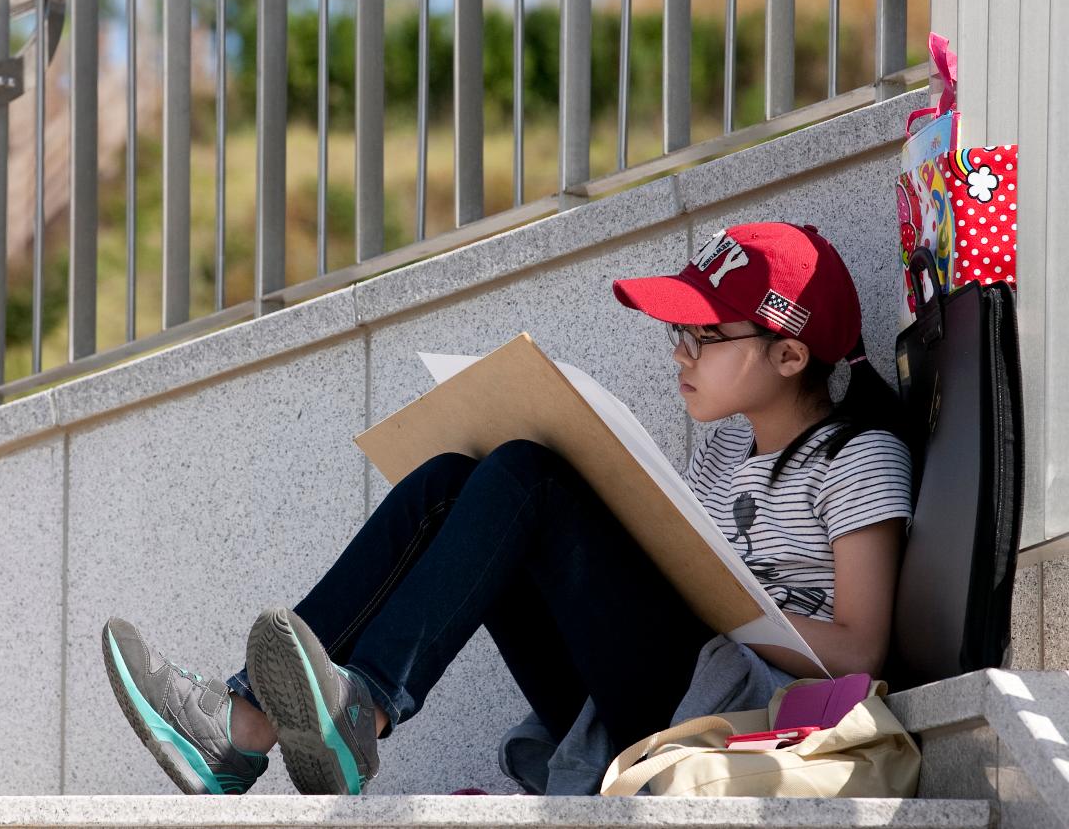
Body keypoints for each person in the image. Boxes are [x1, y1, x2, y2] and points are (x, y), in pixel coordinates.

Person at [101, 221, 915, 797]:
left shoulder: (858, 459)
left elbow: (861, 649)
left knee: (528, 474)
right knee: (454, 475)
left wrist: (721, 602)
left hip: (733, 709)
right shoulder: (724, 449)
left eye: (704, 334)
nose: (680, 351)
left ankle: (367, 708)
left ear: (789, 351)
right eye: (677, 329)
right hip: (626, 699)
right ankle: (242, 727)